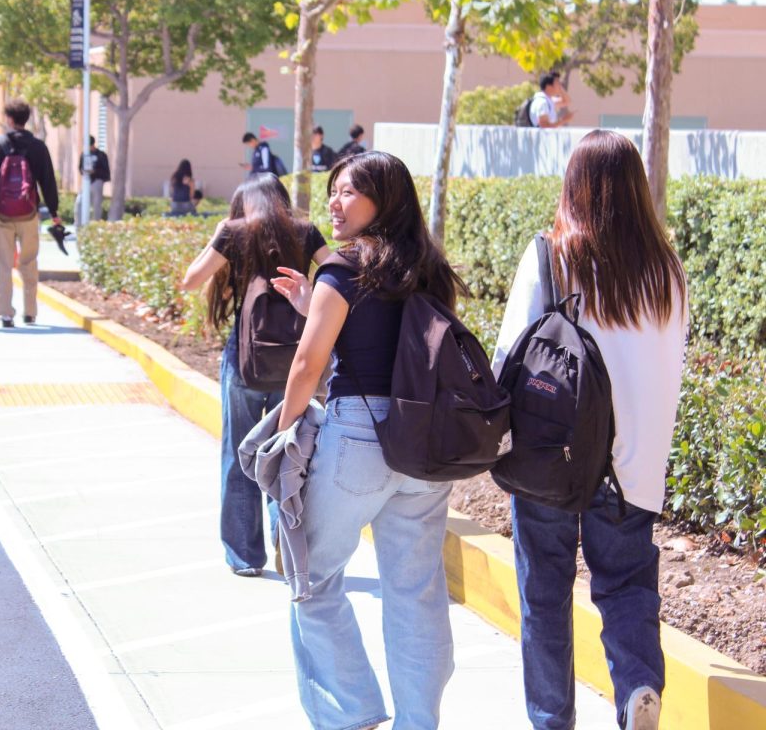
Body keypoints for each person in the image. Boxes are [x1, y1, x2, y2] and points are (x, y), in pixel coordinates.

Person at [491, 130, 686, 730]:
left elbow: (509, 358)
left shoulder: (552, 256)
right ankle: (636, 689)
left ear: (574, 186)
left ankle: (553, 720)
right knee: (627, 586)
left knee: (545, 595)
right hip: (635, 469)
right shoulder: (666, 271)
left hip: (553, 457)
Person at [271, 151, 466, 729]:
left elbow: (309, 364)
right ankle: (417, 721)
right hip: (425, 446)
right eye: (333, 191)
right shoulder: (428, 269)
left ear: (386, 199)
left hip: (359, 439)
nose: (335, 202)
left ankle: (349, 710)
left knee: (312, 578)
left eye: (349, 192)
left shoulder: (344, 269)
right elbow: (401, 343)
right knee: (416, 595)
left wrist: (283, 435)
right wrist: (314, 308)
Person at [181, 173, 329, 578]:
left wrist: (219, 234)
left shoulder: (235, 232)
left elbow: (191, 280)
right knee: (291, 453)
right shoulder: (305, 231)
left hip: (246, 359)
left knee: (238, 453)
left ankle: (245, 557)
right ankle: (288, 544)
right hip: (295, 361)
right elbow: (338, 274)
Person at [0, 98, 62, 328]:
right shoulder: (38, 147)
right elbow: (47, 182)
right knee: (29, 261)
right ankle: (30, 312)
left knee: (3, 263)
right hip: (29, 214)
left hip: (2, 215)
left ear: (9, 119)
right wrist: (54, 212)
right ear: (27, 118)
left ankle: (5, 314)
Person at [75, 135, 110, 225]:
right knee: (80, 202)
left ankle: (96, 225)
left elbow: (106, 171)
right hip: (86, 181)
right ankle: (79, 225)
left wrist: (95, 172)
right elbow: (80, 168)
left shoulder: (101, 155)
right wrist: (84, 171)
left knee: (96, 205)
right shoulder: (84, 154)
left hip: (97, 181)